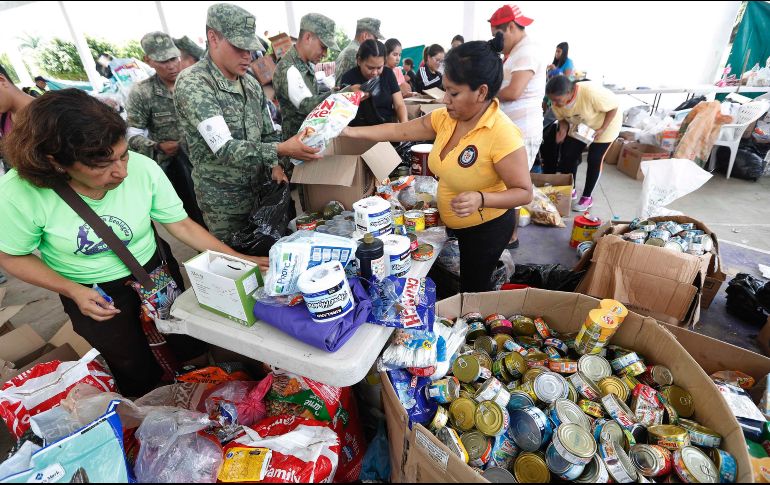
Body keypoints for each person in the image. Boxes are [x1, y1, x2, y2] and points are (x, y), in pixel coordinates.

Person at [0, 89, 269, 396]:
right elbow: (11, 256)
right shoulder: (17, 194)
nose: (122, 171)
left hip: (153, 271)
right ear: (56, 162)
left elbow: (180, 225)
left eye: (123, 154)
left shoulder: (143, 168)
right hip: (93, 291)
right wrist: (72, 290)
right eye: (101, 165)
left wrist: (235, 257)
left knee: (187, 341)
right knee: (132, 366)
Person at [342, 34, 532, 292]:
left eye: (453, 93)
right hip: (455, 223)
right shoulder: (447, 118)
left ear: (482, 92)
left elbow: (524, 192)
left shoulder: (502, 133)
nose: (445, 99)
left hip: (486, 228)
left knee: (474, 290)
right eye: (445, 90)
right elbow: (399, 132)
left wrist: (481, 198)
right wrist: (349, 132)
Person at [174, 3, 321, 243]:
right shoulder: (195, 83)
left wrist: (275, 164)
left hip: (262, 193)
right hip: (225, 204)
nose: (247, 56)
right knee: (239, 269)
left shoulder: (250, 83)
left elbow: (267, 131)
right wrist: (282, 149)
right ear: (213, 38)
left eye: (250, 49)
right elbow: (224, 148)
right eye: (239, 47)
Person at [126, 31, 206, 228]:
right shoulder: (143, 92)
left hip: (209, 163)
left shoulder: (196, 82)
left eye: (173, 58)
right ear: (148, 60)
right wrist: (157, 146)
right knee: (193, 218)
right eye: (163, 61)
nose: (171, 66)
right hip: (177, 169)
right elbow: (131, 134)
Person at [489, 4, 545, 249]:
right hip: (511, 130)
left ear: (509, 28)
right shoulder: (517, 52)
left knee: (515, 188)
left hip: (522, 131)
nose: (496, 41)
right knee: (505, 185)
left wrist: (482, 93)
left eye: (495, 35)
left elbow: (513, 91)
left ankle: (509, 238)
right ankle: (503, 235)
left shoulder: (526, 52)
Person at [546, 75, 620, 211]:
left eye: (557, 100)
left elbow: (613, 107)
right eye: (552, 100)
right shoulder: (556, 102)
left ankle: (587, 197)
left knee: (594, 159)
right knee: (568, 156)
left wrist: (602, 129)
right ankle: (571, 188)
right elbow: (562, 119)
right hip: (581, 125)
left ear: (569, 93)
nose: (554, 104)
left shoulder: (590, 93)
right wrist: (562, 130)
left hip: (605, 125)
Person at [273, 13, 340, 142]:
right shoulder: (288, 68)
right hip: (297, 150)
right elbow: (306, 105)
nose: (325, 54)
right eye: (323, 47)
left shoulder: (306, 64)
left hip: (311, 141)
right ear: (308, 37)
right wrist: (337, 95)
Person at [341, 40, 407, 125]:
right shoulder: (348, 77)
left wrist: (404, 125)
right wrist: (349, 93)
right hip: (358, 131)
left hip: (386, 128)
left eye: (379, 67)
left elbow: (399, 105)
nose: (375, 73)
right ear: (359, 60)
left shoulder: (388, 74)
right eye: (370, 68)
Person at [334, 18, 384, 87]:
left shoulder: (349, 49)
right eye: (375, 38)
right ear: (365, 36)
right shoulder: (355, 52)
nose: (376, 42)